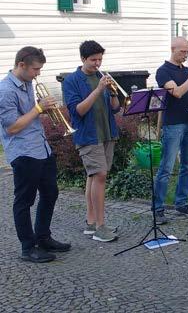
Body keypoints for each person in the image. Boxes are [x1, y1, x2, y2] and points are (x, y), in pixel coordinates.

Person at [0, 47, 71, 262]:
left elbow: (30, 115)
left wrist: (47, 110)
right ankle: (27, 247)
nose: (38, 74)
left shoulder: (28, 83)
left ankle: (43, 237)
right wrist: (39, 109)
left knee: (51, 193)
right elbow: (11, 127)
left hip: (41, 147)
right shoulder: (6, 91)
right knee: (24, 200)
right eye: (35, 69)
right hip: (23, 152)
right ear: (21, 64)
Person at [62, 40, 120, 242]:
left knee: (94, 176)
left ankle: (91, 222)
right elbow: (78, 111)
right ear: (82, 59)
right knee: (100, 175)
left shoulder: (101, 76)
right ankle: (100, 227)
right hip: (88, 134)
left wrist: (112, 93)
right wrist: (98, 90)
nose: (97, 63)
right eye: (93, 60)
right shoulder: (71, 81)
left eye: (100, 59)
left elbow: (115, 108)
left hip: (106, 132)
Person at [153, 37, 188, 224]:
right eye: (182, 51)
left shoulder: (187, 70)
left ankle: (181, 203)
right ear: (173, 49)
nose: (185, 55)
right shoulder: (163, 71)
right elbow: (177, 92)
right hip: (173, 123)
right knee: (166, 168)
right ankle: (158, 208)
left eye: (187, 52)